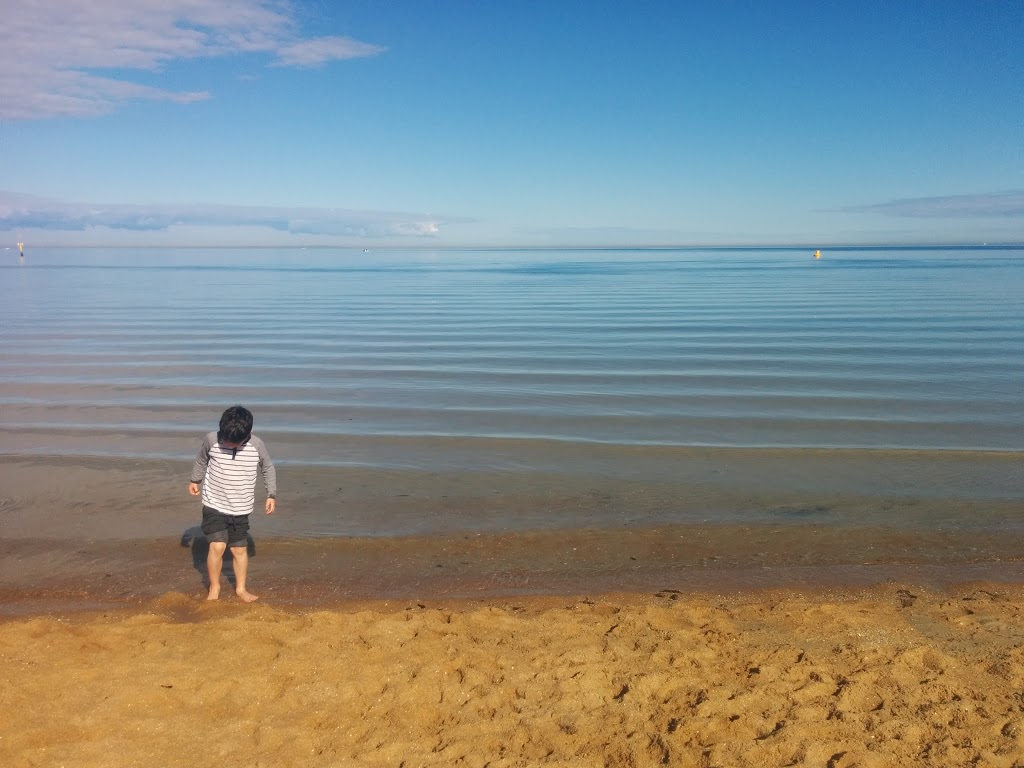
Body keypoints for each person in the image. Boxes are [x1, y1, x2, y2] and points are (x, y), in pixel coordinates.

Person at [188, 405, 277, 601]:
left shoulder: (257, 445)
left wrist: (271, 494)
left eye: (237, 443)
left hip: (241, 506)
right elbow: (202, 460)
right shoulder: (212, 439)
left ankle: (241, 589)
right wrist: (195, 480)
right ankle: (214, 587)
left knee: (239, 549)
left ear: (249, 433)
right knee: (217, 546)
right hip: (214, 503)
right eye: (227, 441)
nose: (231, 446)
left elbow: (267, 467)